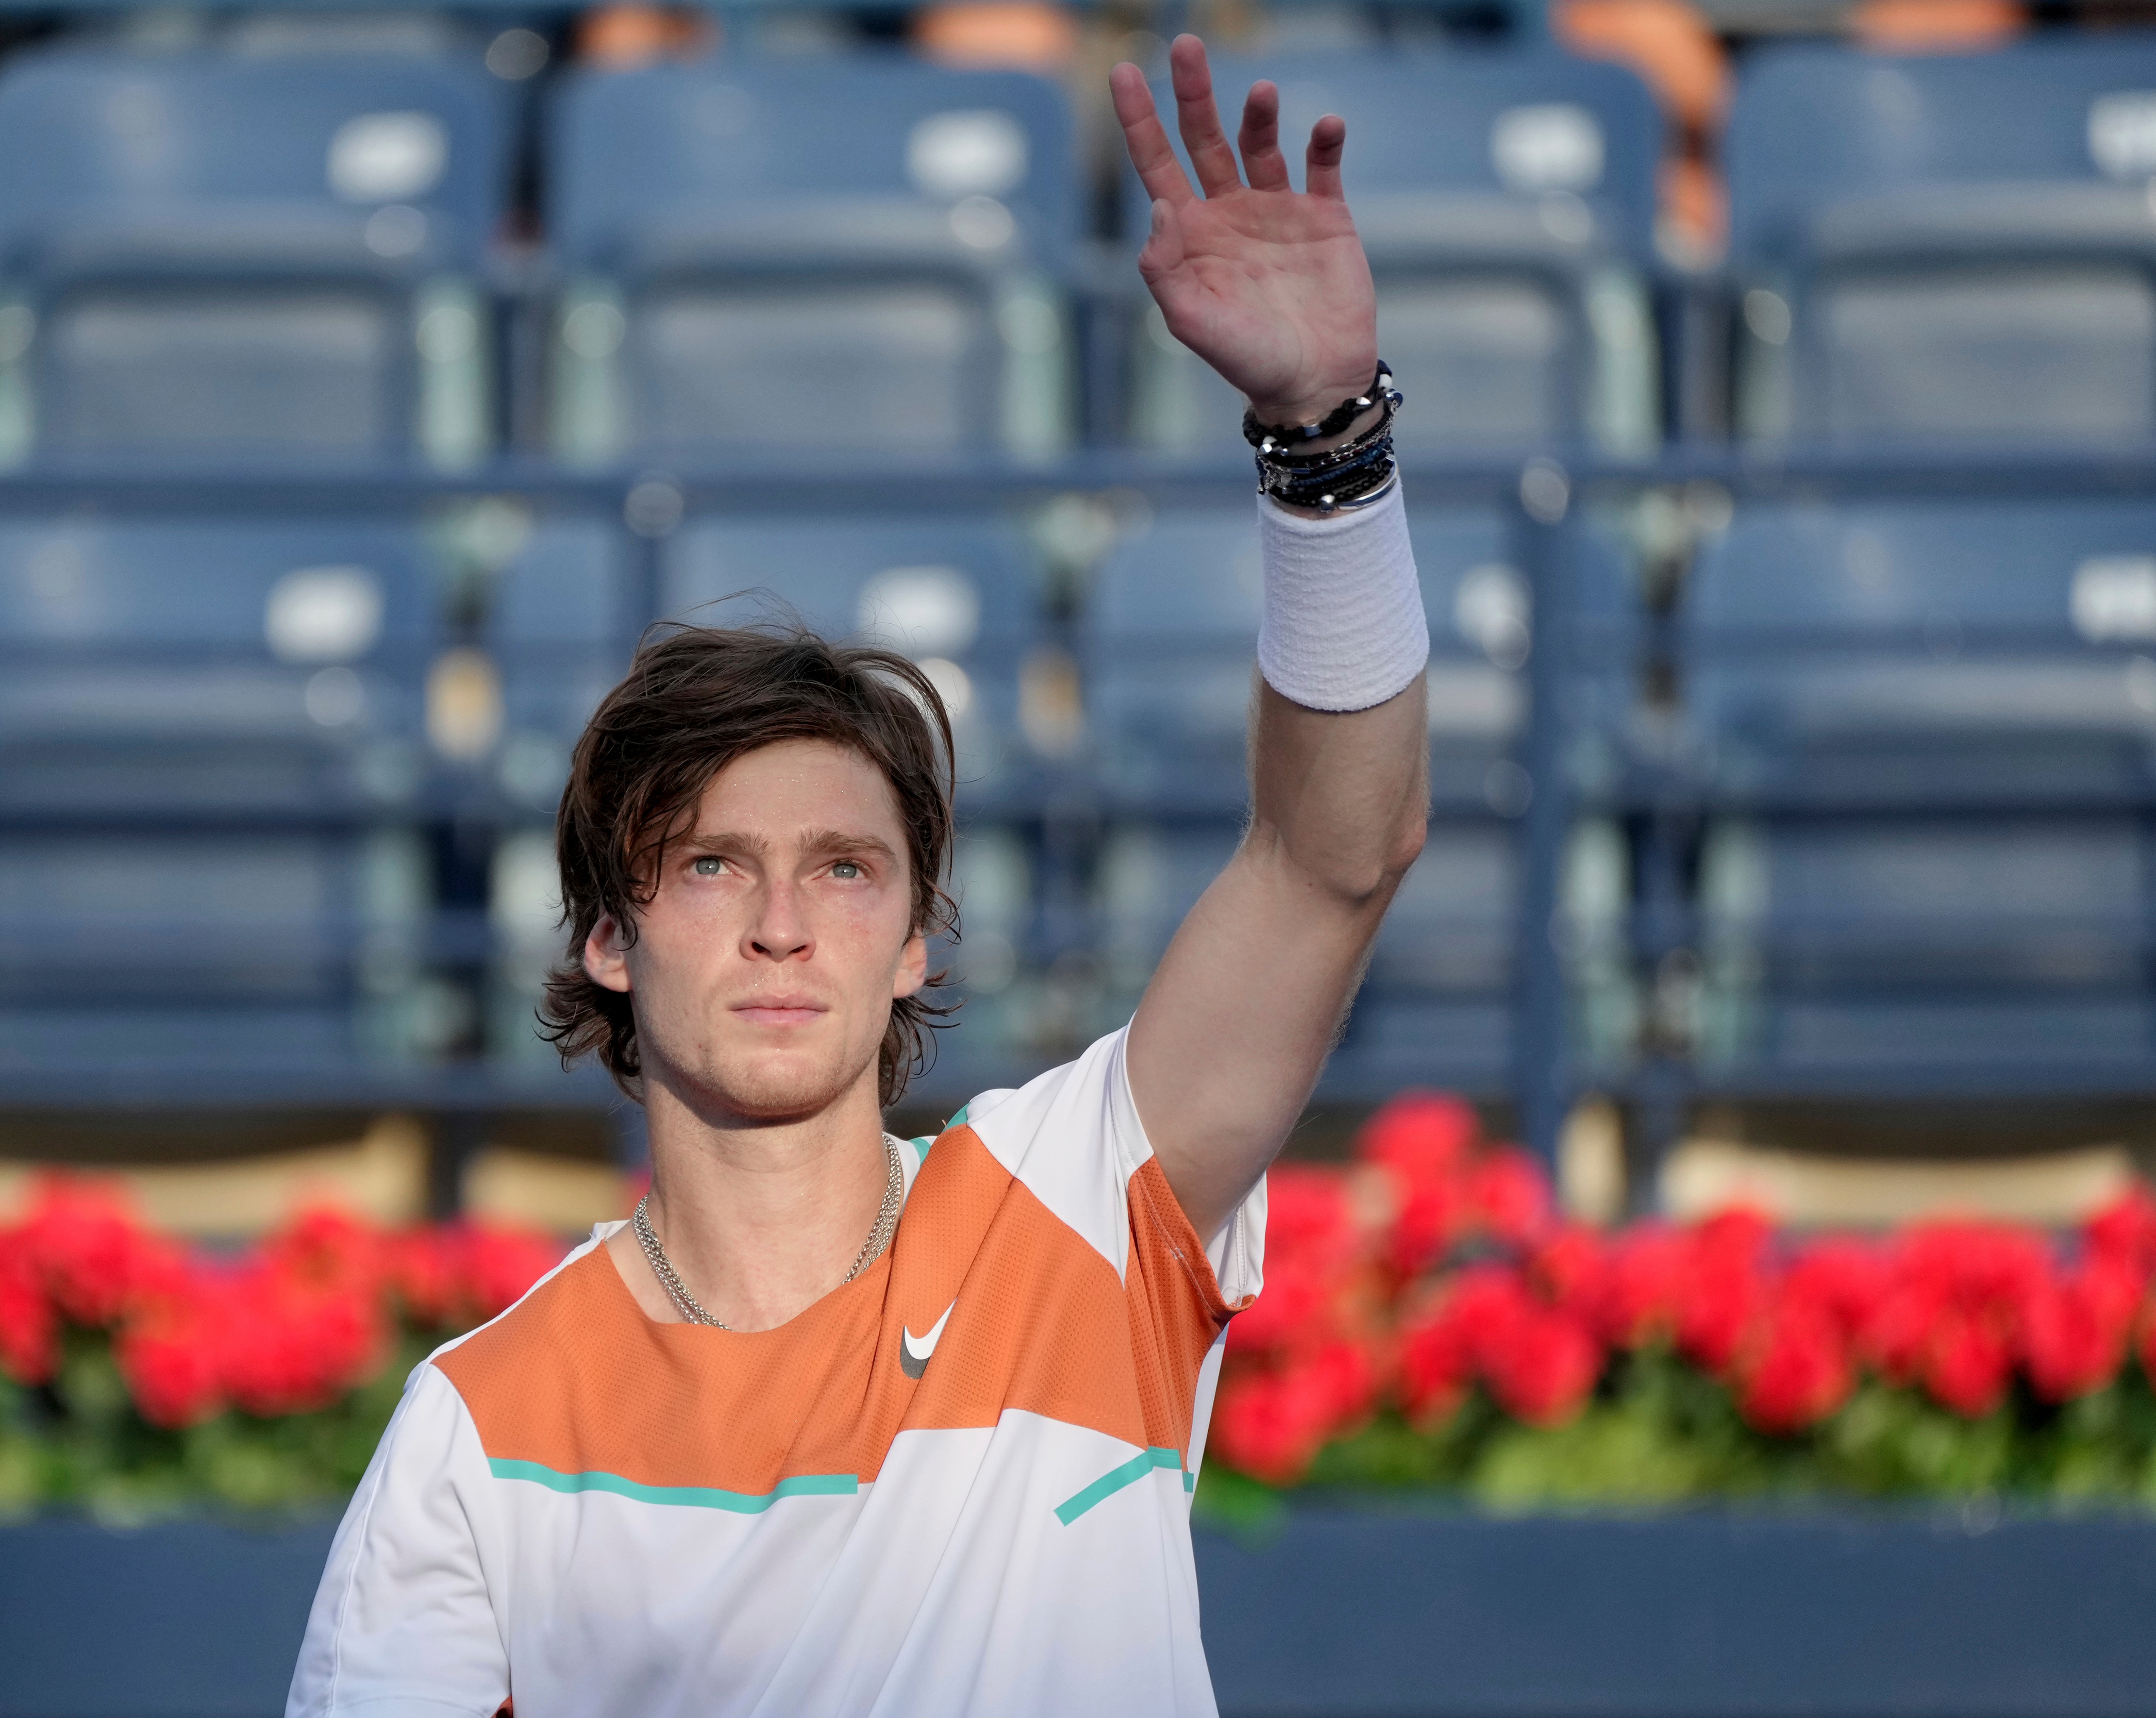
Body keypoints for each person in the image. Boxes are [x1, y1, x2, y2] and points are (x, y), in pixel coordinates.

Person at [286, 35, 1429, 1717]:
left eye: (843, 870)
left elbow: (1336, 856)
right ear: (607, 938)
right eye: (709, 867)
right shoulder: (478, 1428)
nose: (780, 924)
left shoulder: (1077, 1202)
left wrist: (1324, 440)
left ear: (913, 942)